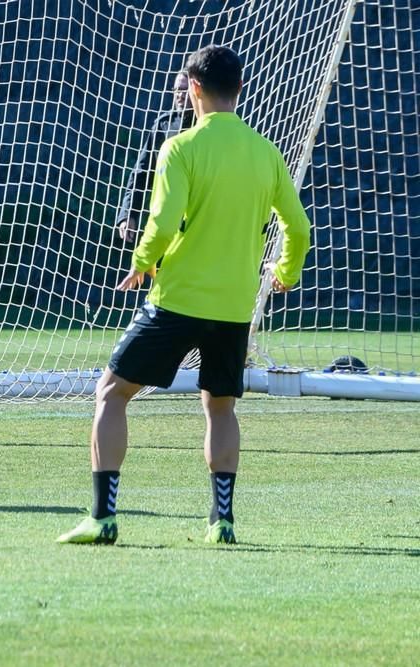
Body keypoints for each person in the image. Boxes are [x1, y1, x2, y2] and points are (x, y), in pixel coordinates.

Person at [58, 45, 311, 545]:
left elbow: (162, 222)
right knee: (220, 408)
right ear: (239, 89)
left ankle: (103, 517)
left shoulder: (180, 147)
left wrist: (141, 262)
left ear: (193, 88)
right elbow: (298, 227)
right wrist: (287, 271)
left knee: (111, 393)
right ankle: (222, 523)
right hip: (234, 308)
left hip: (176, 301)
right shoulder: (265, 152)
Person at [115, 70, 194, 244]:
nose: (179, 95)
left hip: (198, 218)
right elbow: (142, 171)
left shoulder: (206, 126)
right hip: (165, 219)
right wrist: (128, 213)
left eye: (184, 90)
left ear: (196, 90)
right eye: (176, 90)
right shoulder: (163, 125)